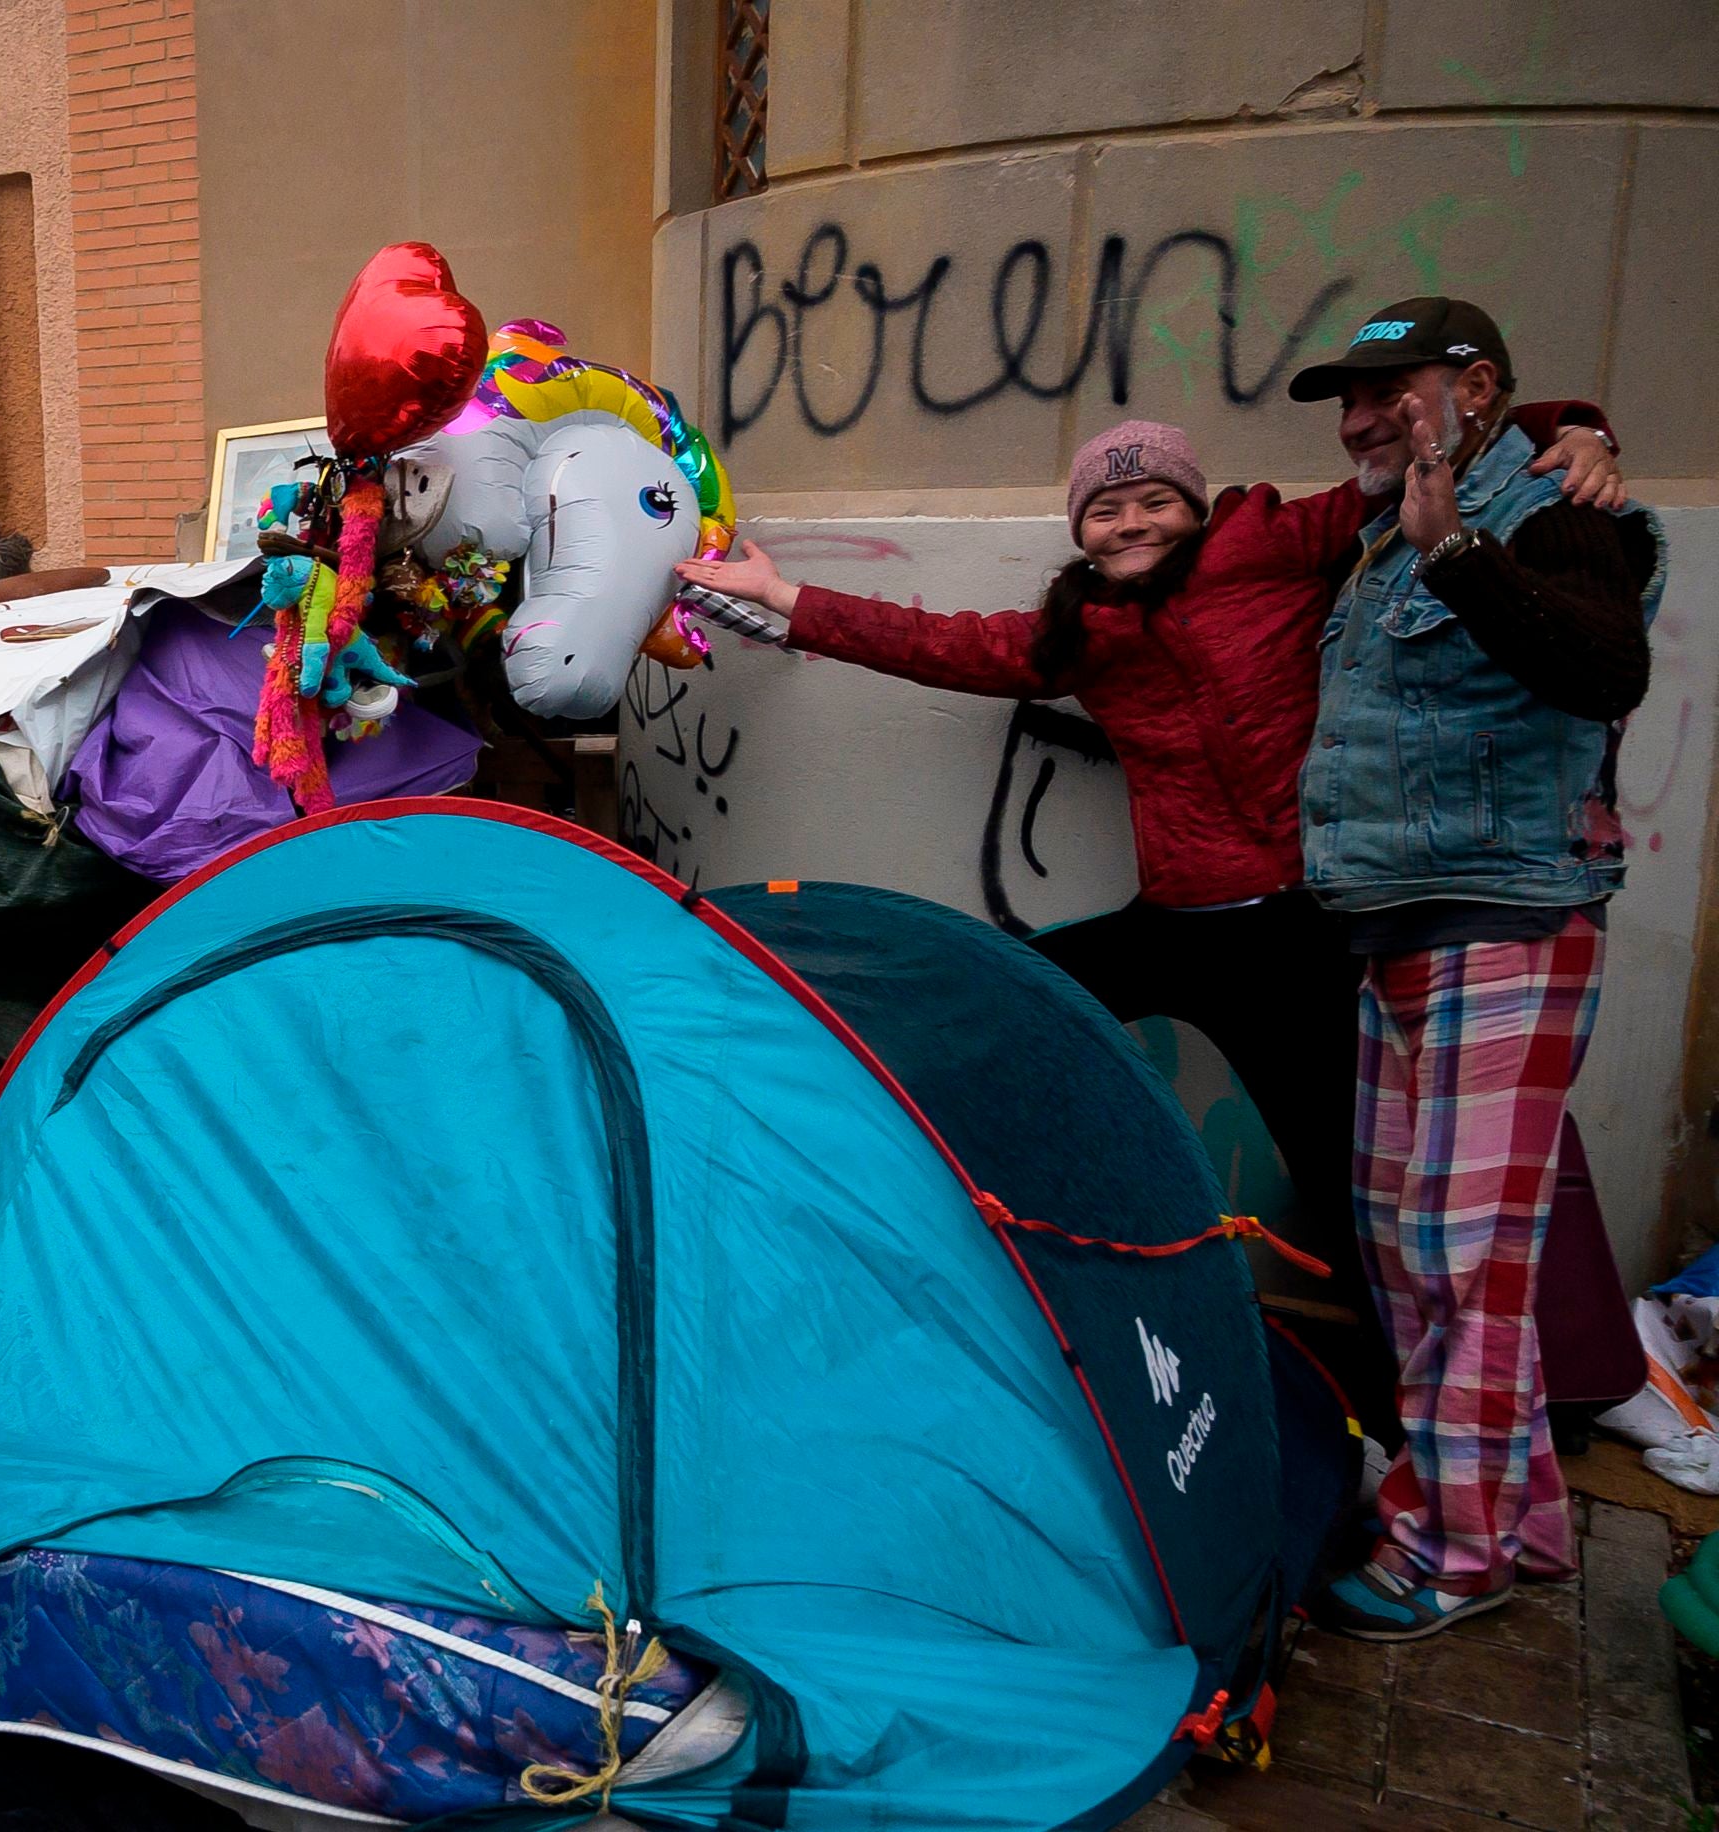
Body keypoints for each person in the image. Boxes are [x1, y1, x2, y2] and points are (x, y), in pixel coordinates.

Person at [674, 402, 1621, 1438]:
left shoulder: (1271, 545)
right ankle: (907, 1230)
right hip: (1176, 920)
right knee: (1003, 1001)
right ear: (1078, 526)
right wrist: (783, 597)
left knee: (1347, 1181)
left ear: (1196, 507)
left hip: (1296, 934)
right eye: (1105, 509)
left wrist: (1569, 428)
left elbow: (1408, 461)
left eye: (1156, 502)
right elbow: (948, 646)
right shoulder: (1085, 626)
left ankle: (1420, 1416)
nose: (1131, 525)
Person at [1286, 299, 1663, 1642]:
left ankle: (1454, 1552)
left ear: (1480, 386)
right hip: (1396, 928)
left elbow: (1603, 666)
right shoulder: (1391, 525)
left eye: (1392, 390)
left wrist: (1463, 553)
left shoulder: (1554, 509)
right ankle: (1529, 1518)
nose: (1359, 420)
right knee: (1409, 1252)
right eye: (1349, 398)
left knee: (1461, 1257)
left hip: (1503, 922)